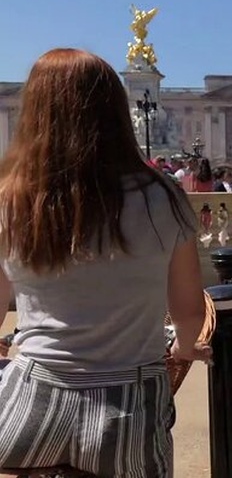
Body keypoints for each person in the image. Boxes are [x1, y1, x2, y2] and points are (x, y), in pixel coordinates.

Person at [0, 48, 211, 476]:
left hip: (27, 414)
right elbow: (188, 313)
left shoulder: (10, 199)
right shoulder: (163, 198)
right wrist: (186, 347)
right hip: (127, 417)